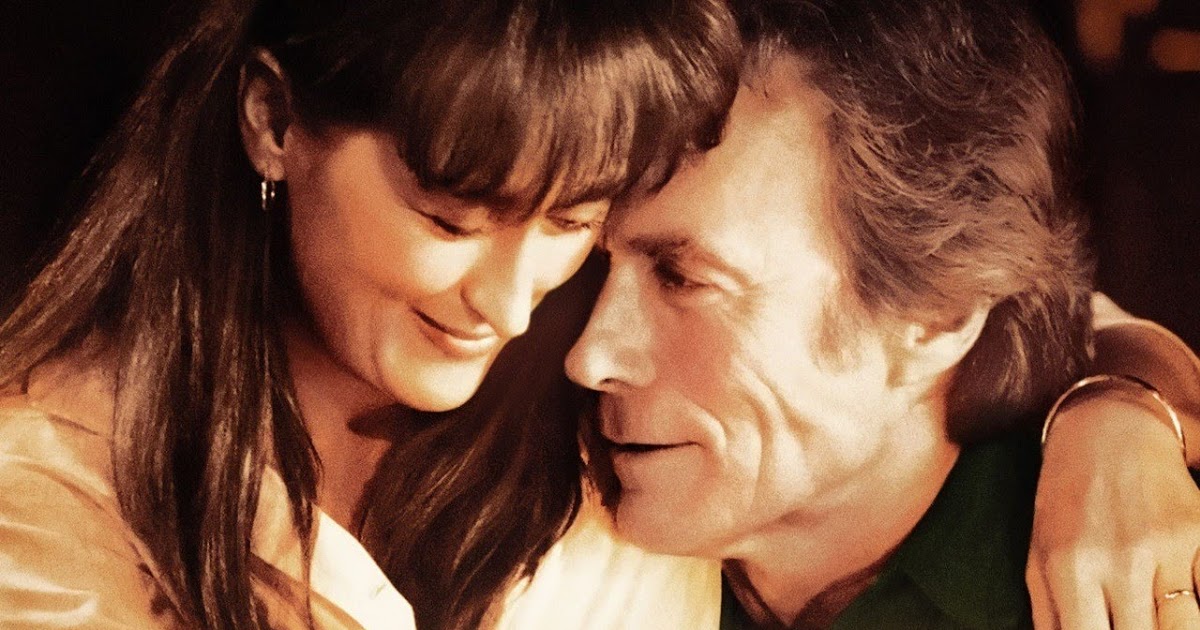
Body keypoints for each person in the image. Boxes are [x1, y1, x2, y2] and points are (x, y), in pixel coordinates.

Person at [0, 1, 742, 628]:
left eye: (571, 222)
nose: (510, 308)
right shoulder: (52, 485)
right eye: (451, 222)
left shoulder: (605, 461)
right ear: (274, 121)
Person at [498, 0, 1200, 628]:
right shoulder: (532, 500)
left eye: (681, 278)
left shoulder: (1138, 586)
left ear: (938, 315)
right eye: (594, 260)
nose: (589, 355)